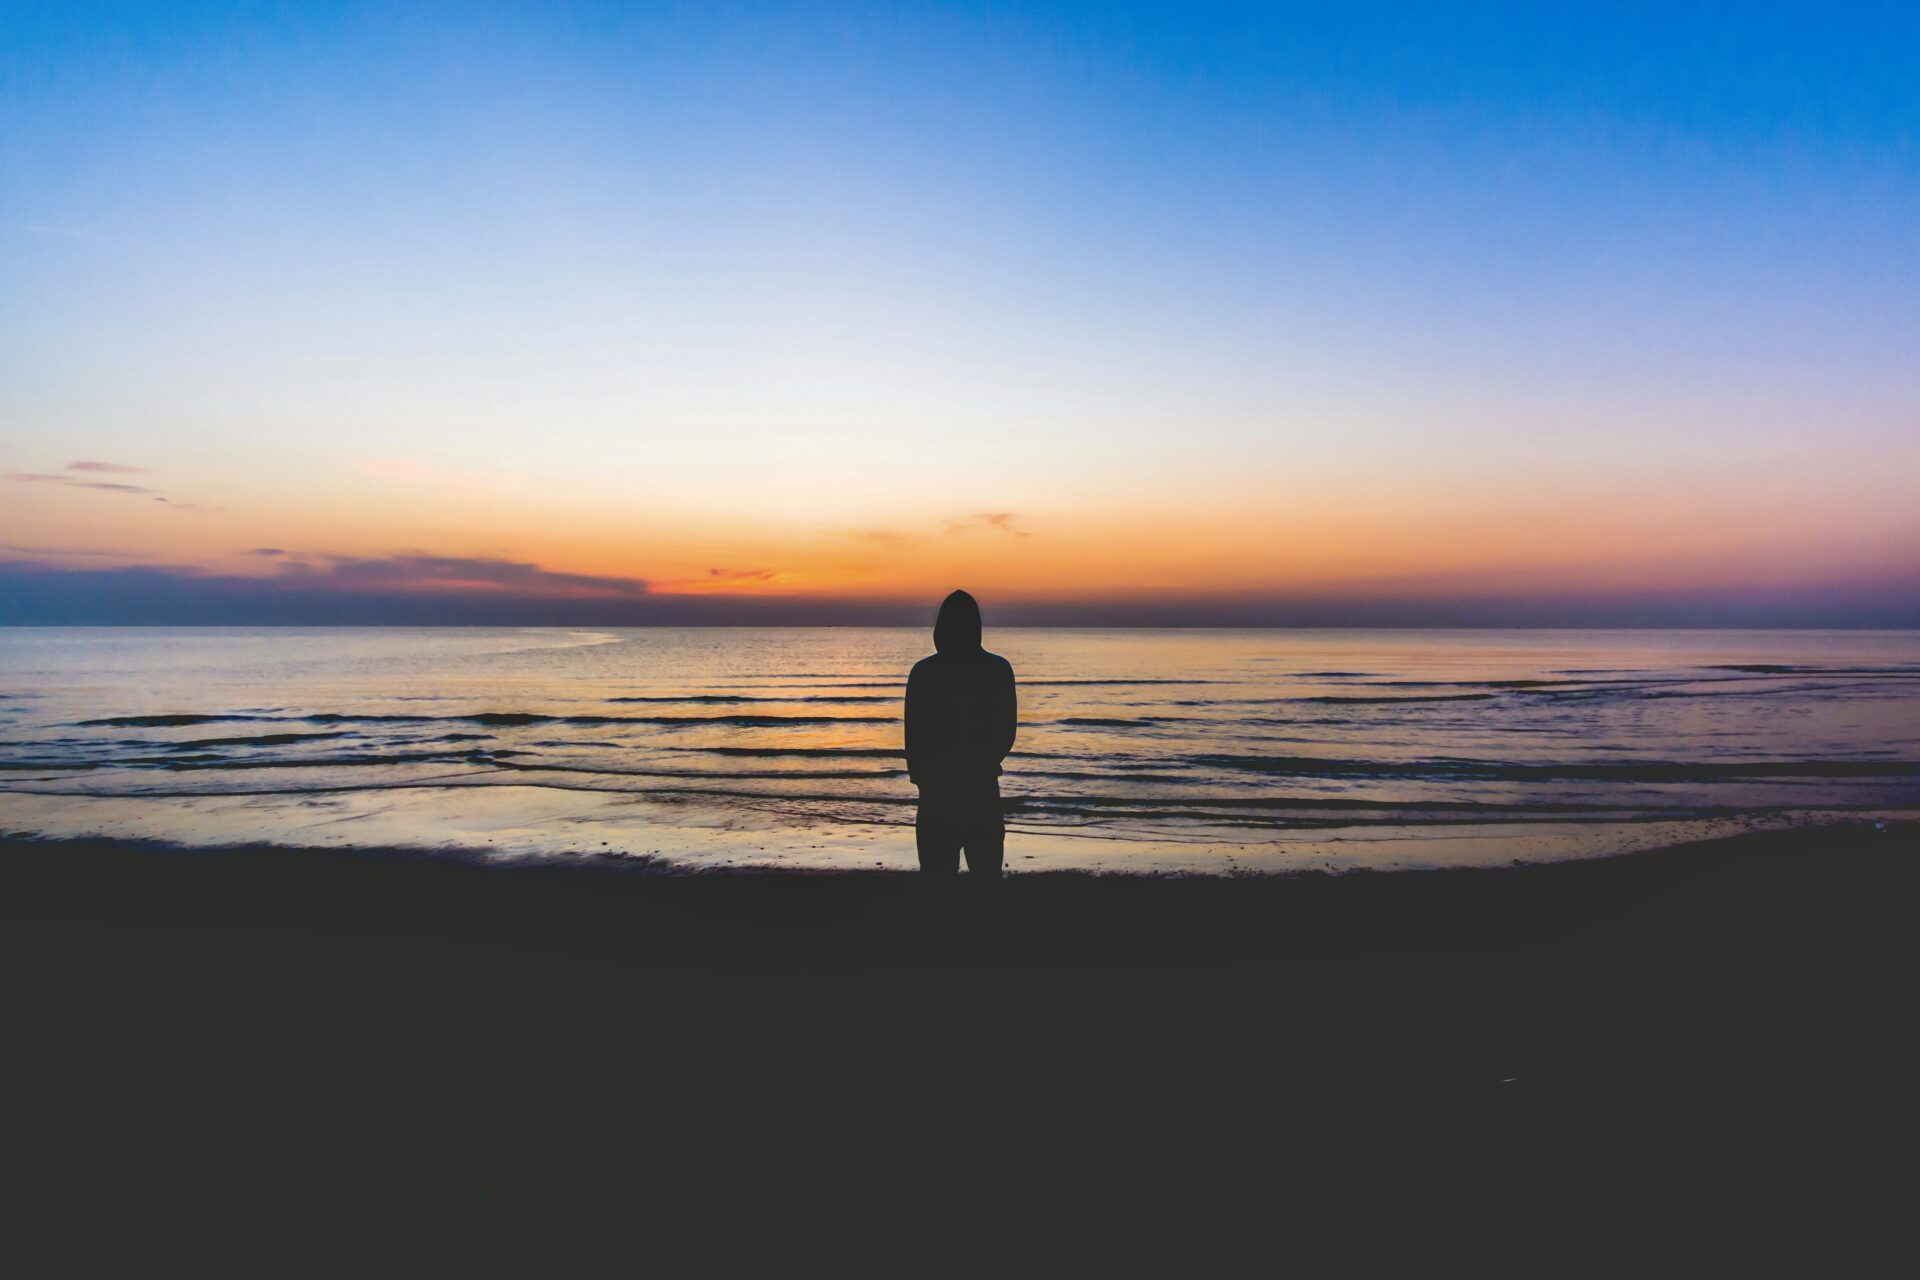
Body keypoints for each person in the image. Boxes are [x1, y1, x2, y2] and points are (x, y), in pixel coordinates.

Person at [904, 590, 1017, 879]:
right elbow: (1006, 733)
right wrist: (981, 761)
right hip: (981, 790)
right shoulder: (998, 669)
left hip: (937, 794)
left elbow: (913, 737)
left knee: (937, 881)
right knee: (986, 880)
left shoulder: (924, 673)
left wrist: (924, 775)